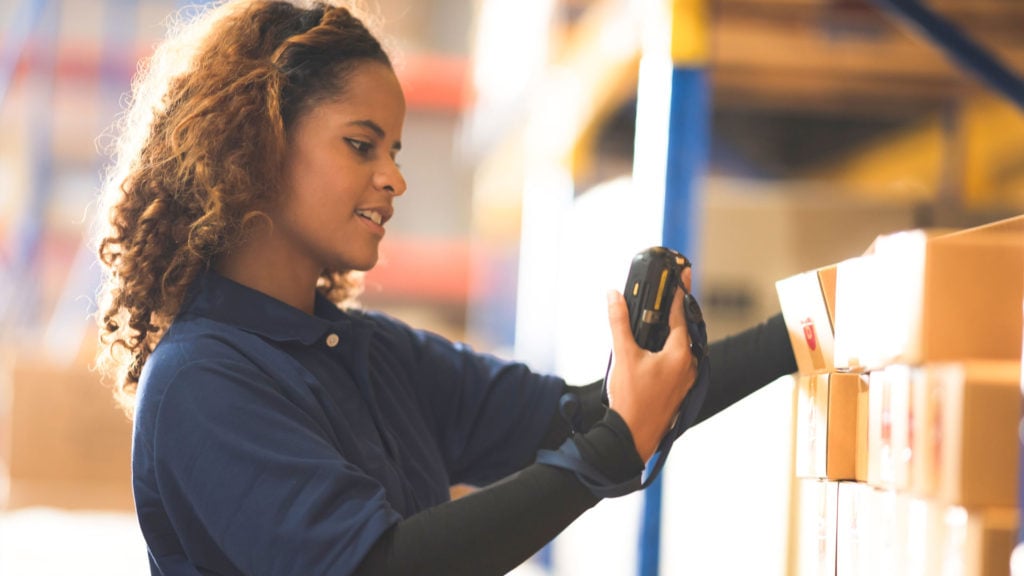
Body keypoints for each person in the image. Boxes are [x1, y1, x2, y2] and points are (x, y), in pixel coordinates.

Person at [93, 1, 797, 574]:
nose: (395, 177)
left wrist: (799, 333)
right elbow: (380, 567)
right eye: (361, 144)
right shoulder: (201, 380)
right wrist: (610, 449)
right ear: (260, 142)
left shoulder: (366, 353)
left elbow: (578, 417)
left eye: (394, 152)